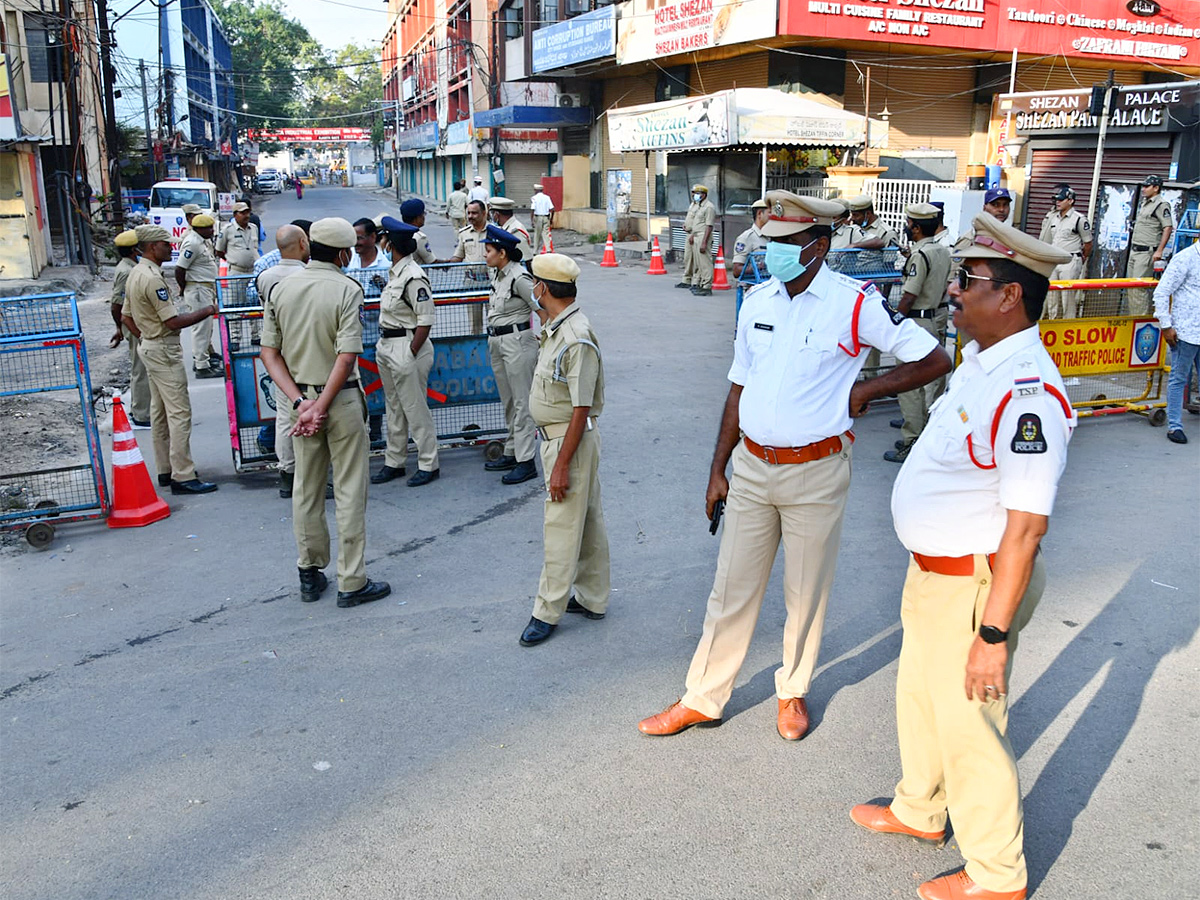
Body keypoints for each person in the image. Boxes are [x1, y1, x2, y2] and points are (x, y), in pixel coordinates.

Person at [637, 191, 950, 740]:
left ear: (818, 245)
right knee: (730, 588)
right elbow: (738, 388)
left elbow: (933, 357)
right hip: (753, 469)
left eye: (785, 244)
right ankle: (702, 697)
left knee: (806, 591)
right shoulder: (759, 299)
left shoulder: (854, 303)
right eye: (770, 243)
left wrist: (868, 390)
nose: (773, 253)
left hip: (817, 472)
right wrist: (718, 469)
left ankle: (793, 691)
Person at [851, 213, 1076, 900]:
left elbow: (1026, 529)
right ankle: (921, 809)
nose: (953, 290)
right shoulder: (983, 361)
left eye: (969, 280)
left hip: (977, 587)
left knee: (971, 725)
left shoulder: (1028, 391)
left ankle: (997, 873)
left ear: (1009, 296)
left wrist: (992, 636)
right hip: (935, 575)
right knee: (920, 698)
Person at [259, 217, 390, 608]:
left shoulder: (281, 288)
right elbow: (346, 355)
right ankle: (352, 581)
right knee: (349, 491)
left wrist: (301, 403)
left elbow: (270, 353)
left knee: (306, 490)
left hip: (298, 406)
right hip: (341, 401)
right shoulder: (347, 289)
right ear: (344, 253)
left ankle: (309, 574)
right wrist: (321, 405)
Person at [518, 253, 610, 647]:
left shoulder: (576, 337)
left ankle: (547, 610)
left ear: (542, 288)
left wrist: (561, 466)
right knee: (585, 520)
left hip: (567, 442)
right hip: (561, 438)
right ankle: (593, 597)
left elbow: (580, 408)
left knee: (559, 526)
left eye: (533, 284)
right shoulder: (559, 326)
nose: (531, 289)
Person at [120, 224, 219, 495]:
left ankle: (166, 468)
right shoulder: (151, 278)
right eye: (166, 244)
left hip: (151, 346)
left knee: (160, 412)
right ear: (153, 247)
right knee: (179, 413)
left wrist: (146, 337)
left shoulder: (136, 272)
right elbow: (173, 321)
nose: (171, 248)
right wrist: (208, 310)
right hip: (163, 349)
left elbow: (126, 316)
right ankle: (183, 475)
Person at [369, 217, 440, 488]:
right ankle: (394, 461)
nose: (382, 243)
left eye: (384, 239)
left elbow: (425, 320)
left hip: (407, 345)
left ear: (392, 245)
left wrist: (410, 352)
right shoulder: (395, 271)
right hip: (388, 344)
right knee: (394, 406)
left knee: (414, 407)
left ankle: (428, 463)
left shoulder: (413, 276)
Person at [887, 203, 953, 463]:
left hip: (915, 321)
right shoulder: (942, 251)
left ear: (915, 227)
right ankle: (928, 435)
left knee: (909, 385)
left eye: (909, 223)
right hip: (934, 318)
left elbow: (909, 295)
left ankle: (911, 440)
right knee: (931, 383)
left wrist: (894, 321)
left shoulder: (920, 255)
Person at [481, 224, 539, 485]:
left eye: (489, 250)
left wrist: (545, 338)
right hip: (498, 341)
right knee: (509, 401)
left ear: (502, 253)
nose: (485, 254)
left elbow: (543, 308)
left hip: (517, 342)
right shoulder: (500, 274)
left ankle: (526, 461)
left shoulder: (519, 278)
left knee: (522, 403)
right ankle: (512, 450)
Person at [256, 224, 311, 497]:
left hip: (277, 353)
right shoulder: (309, 275)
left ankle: (287, 473)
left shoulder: (265, 277)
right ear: (303, 243)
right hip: (306, 353)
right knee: (310, 413)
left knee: (284, 417)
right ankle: (310, 475)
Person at [1153, 239, 1200, 445]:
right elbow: (1162, 292)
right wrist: (1166, 325)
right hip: (1186, 331)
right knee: (1179, 377)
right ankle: (1175, 426)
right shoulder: (1185, 258)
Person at [109, 230, 151, 428]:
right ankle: (141, 413)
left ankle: (144, 409)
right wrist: (121, 328)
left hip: (135, 323)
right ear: (135, 249)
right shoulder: (127, 271)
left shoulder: (130, 266)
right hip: (134, 325)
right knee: (140, 369)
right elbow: (116, 304)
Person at [174, 213, 222, 378]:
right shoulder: (192, 243)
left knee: (207, 326)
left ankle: (206, 356)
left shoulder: (203, 241)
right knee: (201, 328)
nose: (211, 230)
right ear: (199, 229)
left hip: (206, 288)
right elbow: (180, 268)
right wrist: (183, 287)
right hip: (198, 288)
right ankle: (202, 365)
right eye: (208, 228)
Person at [1038, 185, 1092, 319]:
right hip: (1055, 260)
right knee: (1052, 296)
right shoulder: (1054, 218)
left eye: (1061, 200)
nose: (1058, 202)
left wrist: (1081, 258)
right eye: (1057, 199)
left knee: (1067, 297)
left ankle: (1069, 324)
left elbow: (1088, 244)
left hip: (1070, 260)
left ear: (1070, 201)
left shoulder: (1079, 219)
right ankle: (1052, 322)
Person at [1127, 174, 1174, 316]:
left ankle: (1138, 322)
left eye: (1147, 186)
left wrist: (1159, 251)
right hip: (1135, 250)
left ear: (1156, 188)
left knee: (1138, 289)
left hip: (1146, 252)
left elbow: (1168, 227)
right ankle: (1133, 318)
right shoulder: (1145, 203)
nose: (1144, 189)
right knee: (1130, 287)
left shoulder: (1161, 204)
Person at [678, 184, 716, 296]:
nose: (695, 195)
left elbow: (709, 226)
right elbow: (695, 223)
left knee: (705, 263)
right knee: (698, 262)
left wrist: (704, 242)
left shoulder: (709, 207)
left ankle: (707, 286)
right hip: (695, 235)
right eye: (694, 193)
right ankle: (700, 284)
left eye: (697, 193)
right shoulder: (698, 205)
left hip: (703, 236)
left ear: (703, 195)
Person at [215, 201, 259, 278]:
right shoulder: (227, 230)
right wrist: (232, 259)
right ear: (235, 215)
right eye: (243, 213)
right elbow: (219, 251)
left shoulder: (253, 228)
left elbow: (255, 248)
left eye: (248, 213)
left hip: (253, 271)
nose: (247, 216)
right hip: (236, 272)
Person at [729, 199, 768, 279]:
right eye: (770, 213)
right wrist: (759, 267)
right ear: (760, 214)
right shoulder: (746, 238)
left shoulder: (772, 237)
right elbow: (736, 271)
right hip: (754, 286)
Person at [400, 198, 437, 264]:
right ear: (417, 218)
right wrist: (449, 262)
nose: (424, 217)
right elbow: (432, 261)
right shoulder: (419, 238)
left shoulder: (398, 233)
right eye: (423, 214)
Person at [530, 182, 555, 253]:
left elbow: (532, 209)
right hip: (546, 217)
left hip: (538, 217)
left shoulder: (534, 198)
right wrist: (551, 219)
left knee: (537, 234)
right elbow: (552, 209)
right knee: (546, 234)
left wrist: (532, 220)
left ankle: (535, 251)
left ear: (536, 190)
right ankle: (548, 249)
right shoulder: (547, 197)